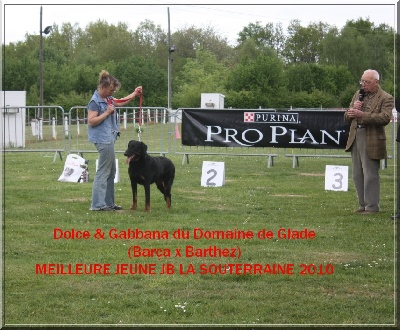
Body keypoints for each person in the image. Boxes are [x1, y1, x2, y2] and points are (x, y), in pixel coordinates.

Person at [88, 70, 142, 211]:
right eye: (111, 90)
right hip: (102, 139)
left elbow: (122, 101)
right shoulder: (95, 101)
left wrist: (135, 93)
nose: (112, 93)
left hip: (109, 137)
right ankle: (98, 205)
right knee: (103, 171)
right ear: (103, 87)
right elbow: (91, 121)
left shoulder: (108, 99)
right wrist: (106, 113)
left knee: (111, 171)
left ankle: (109, 203)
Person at [344, 69, 394, 215]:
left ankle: (372, 206)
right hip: (355, 135)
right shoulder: (358, 94)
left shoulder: (386, 97)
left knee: (370, 173)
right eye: (362, 81)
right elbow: (347, 116)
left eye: (367, 82)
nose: (363, 84)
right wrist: (352, 111)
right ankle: (362, 205)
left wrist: (362, 115)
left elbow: (384, 118)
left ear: (376, 82)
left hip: (371, 137)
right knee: (357, 173)